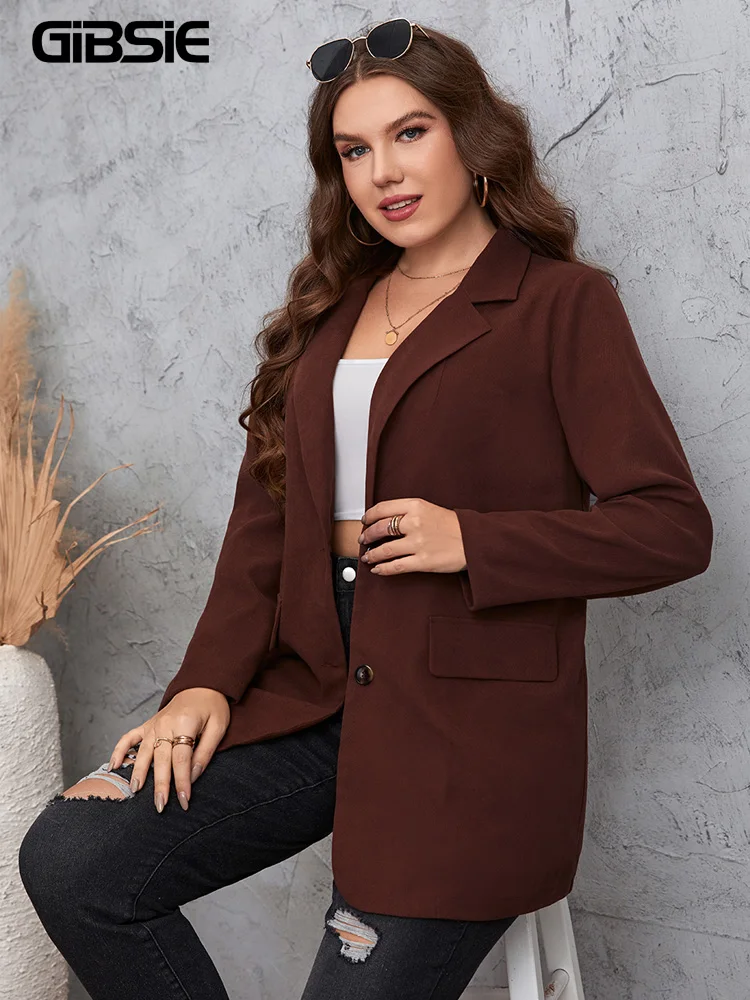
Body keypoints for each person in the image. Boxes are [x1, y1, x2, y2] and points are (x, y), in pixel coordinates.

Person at [17, 18, 713, 1000]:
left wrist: (472, 540)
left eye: (410, 132)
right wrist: (203, 683)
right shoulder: (331, 314)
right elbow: (264, 528)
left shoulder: (563, 304)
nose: (383, 171)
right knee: (76, 859)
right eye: (354, 149)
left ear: (472, 137)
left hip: (462, 729)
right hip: (312, 691)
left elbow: (672, 525)